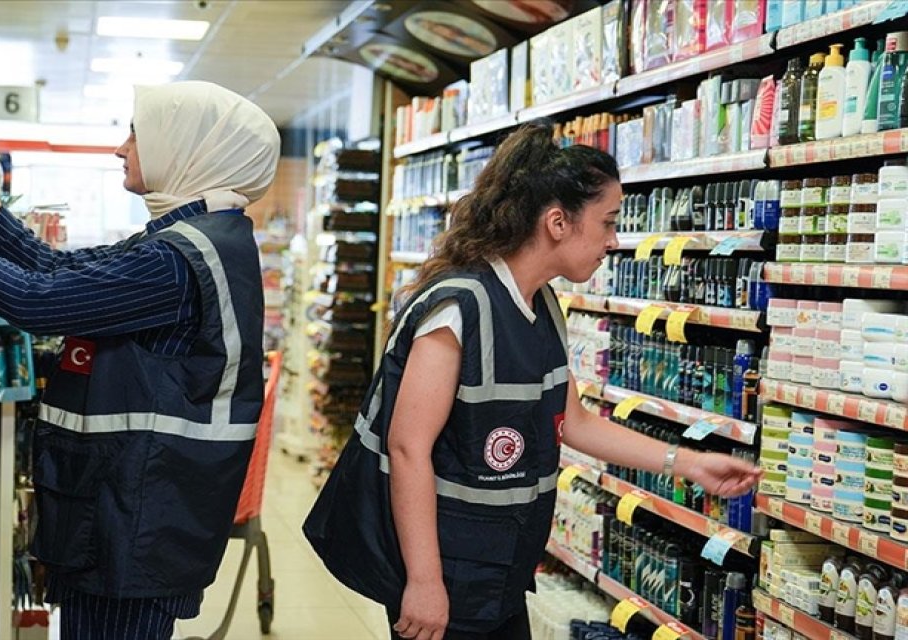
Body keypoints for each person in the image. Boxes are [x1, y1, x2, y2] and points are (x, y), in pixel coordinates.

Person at [303, 124, 762, 640]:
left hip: (501, 572)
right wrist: (425, 581)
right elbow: (408, 448)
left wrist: (690, 463)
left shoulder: (543, 305)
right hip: (446, 571)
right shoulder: (459, 308)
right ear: (558, 222)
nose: (615, 240)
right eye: (608, 222)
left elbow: (577, 423)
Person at [0, 81, 281, 640]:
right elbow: (60, 271)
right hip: (137, 506)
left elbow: (44, 301)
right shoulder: (195, 239)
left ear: (188, 146)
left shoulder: (180, 259)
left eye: (136, 133)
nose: (121, 147)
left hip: (133, 517)